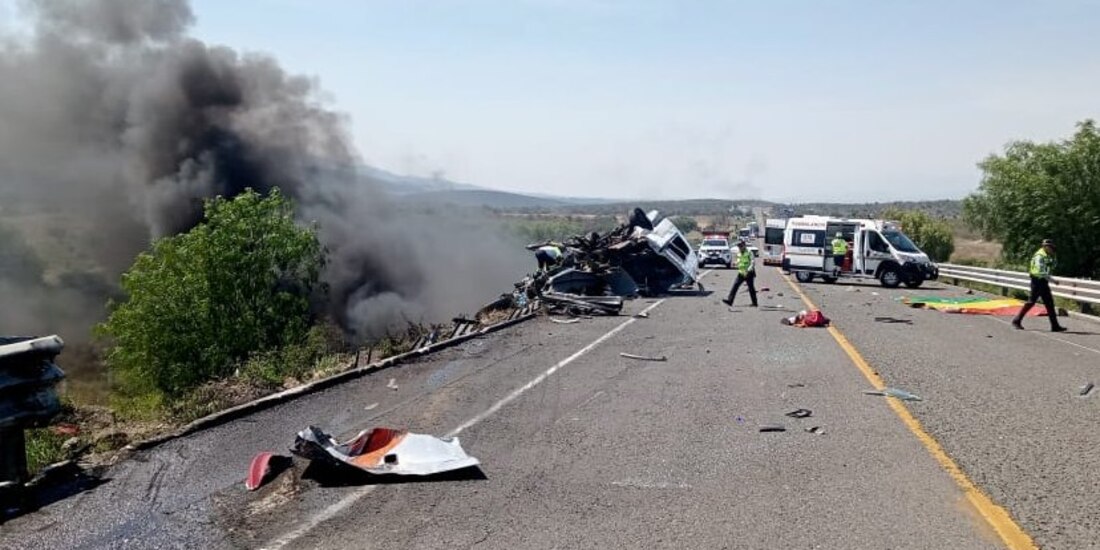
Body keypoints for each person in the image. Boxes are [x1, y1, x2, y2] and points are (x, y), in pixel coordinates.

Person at [1012, 239, 1067, 332]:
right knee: (1031, 302)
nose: (1052, 249)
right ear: (1045, 247)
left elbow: (1049, 267)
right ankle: (1016, 320)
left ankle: (1055, 326)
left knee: (1049, 303)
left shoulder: (1046, 255)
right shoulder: (1039, 256)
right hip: (1037, 281)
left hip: (1042, 281)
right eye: (1050, 247)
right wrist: (1052, 280)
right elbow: (1041, 271)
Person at [722, 240, 758, 307]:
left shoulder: (749, 252)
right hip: (741, 273)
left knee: (751, 288)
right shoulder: (739, 253)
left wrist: (748, 270)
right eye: (739, 246)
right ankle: (730, 301)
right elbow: (739, 261)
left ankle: (755, 303)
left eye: (741, 246)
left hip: (749, 273)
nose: (740, 248)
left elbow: (753, 262)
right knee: (735, 286)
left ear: (744, 246)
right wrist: (735, 263)